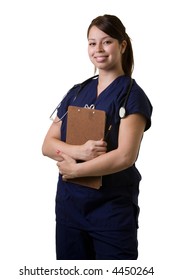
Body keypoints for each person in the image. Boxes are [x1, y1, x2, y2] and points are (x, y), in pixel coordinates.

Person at [42, 14, 153, 260]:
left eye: (107, 41)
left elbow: (125, 155)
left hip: (111, 214)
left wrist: (77, 171)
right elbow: (48, 144)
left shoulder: (131, 96)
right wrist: (79, 152)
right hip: (70, 211)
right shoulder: (77, 92)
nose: (98, 49)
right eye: (92, 43)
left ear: (122, 45)